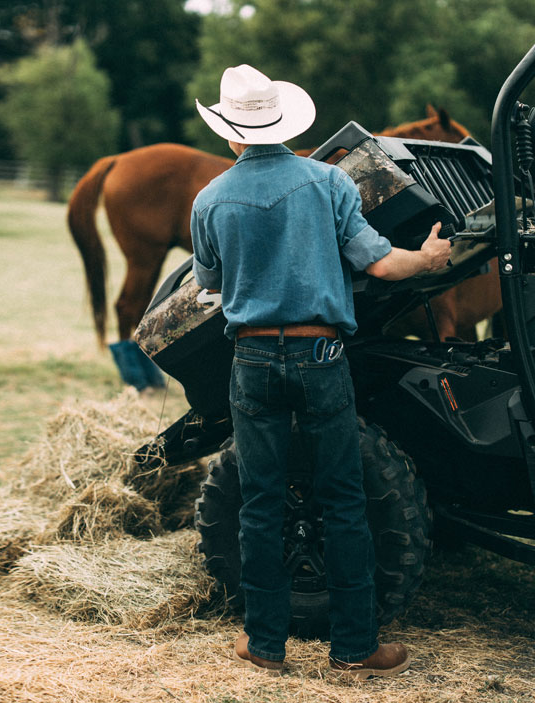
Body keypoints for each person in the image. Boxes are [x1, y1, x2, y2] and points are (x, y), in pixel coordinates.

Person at [191, 64, 451, 680]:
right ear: (283, 122)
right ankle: (356, 649)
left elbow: (209, 282)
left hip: (252, 358)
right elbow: (381, 265)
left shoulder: (209, 199)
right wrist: (429, 258)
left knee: (260, 500)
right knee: (343, 497)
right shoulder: (329, 182)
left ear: (230, 132)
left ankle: (264, 643)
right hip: (320, 356)